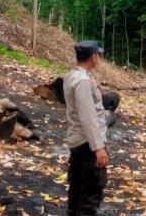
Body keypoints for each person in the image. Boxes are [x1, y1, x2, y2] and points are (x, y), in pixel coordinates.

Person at [63, 40, 109, 215]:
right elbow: (88, 116)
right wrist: (98, 147)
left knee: (77, 184)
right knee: (92, 187)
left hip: (79, 139)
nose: (98, 59)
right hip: (87, 142)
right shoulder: (82, 81)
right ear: (93, 57)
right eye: (98, 55)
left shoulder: (73, 75)